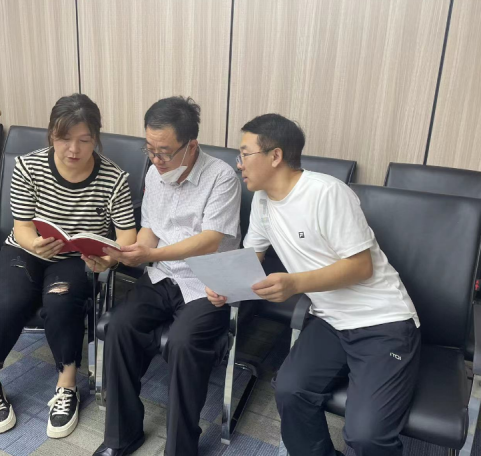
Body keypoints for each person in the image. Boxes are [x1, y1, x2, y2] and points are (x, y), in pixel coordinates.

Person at [207, 114, 421, 456]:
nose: (239, 164)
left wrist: (295, 283)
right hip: (331, 320)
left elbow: (361, 266)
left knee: (366, 436)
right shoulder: (262, 201)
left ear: (275, 156)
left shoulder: (326, 193)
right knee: (290, 391)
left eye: (245, 154)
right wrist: (225, 284)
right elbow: (251, 258)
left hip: (383, 322)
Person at [93, 96, 241, 456]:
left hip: (207, 283)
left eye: (165, 152)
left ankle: (180, 449)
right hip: (161, 277)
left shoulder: (222, 177)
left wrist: (151, 254)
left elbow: (210, 241)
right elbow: (150, 231)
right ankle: (122, 437)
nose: (156, 160)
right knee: (118, 326)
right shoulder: (154, 174)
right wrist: (125, 253)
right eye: (150, 150)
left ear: (191, 145)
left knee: (182, 342)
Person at [0, 94, 137, 439]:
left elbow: (127, 238)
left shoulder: (114, 178)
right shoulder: (28, 166)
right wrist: (35, 244)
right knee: (10, 300)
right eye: (64, 139)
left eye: (84, 140)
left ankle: (67, 386)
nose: (73, 149)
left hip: (77, 258)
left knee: (61, 302)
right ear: (51, 135)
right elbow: (22, 227)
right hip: (27, 250)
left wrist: (108, 258)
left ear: (96, 138)